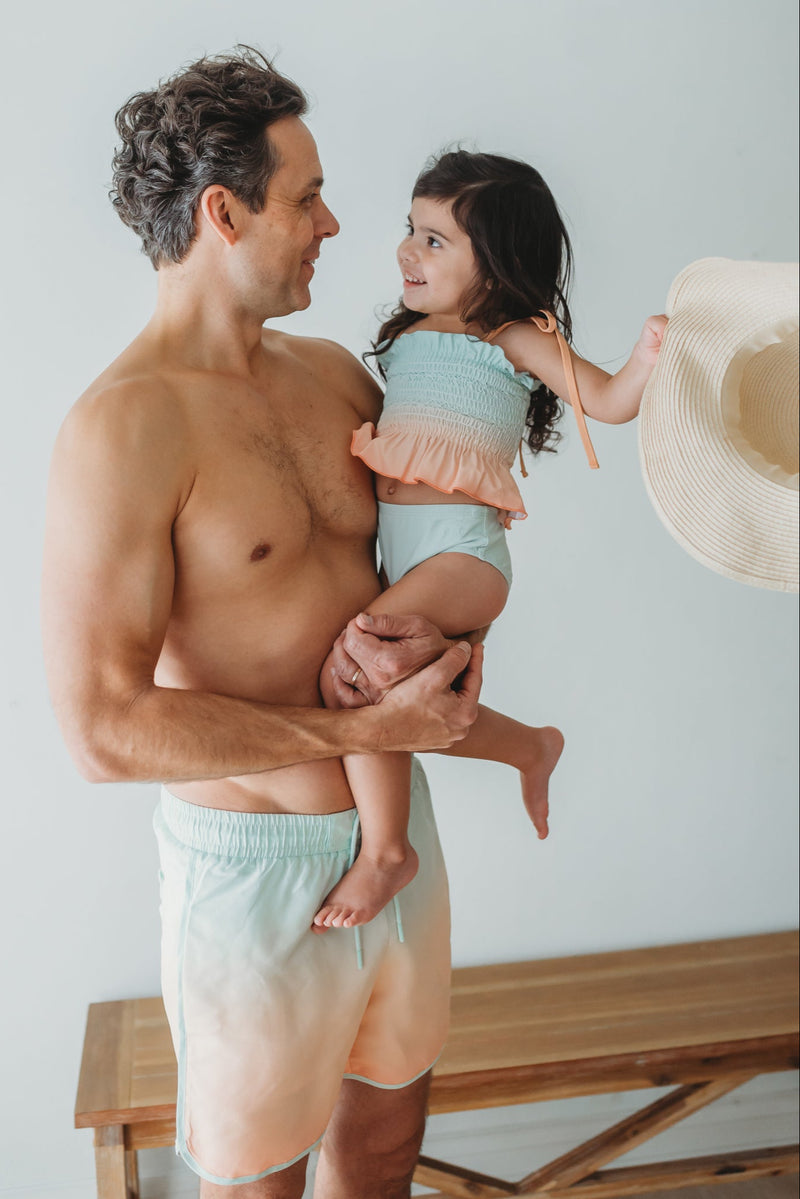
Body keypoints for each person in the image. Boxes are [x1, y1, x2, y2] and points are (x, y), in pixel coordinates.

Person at [41, 49, 484, 1198]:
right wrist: (357, 735)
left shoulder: (335, 374)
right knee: (255, 1182)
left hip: (401, 838)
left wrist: (451, 656)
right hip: (256, 880)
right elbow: (103, 728)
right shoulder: (121, 430)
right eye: (306, 198)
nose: (334, 222)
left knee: (386, 1145)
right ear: (221, 212)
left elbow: (438, 552)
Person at [312, 149, 667, 933]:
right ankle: (530, 747)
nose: (409, 249)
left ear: (498, 264)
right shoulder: (406, 339)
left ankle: (386, 851)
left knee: (354, 671)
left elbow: (606, 400)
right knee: (411, 700)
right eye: (411, 230)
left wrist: (647, 357)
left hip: (462, 556)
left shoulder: (507, 336)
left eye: (435, 240)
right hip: (408, 555)